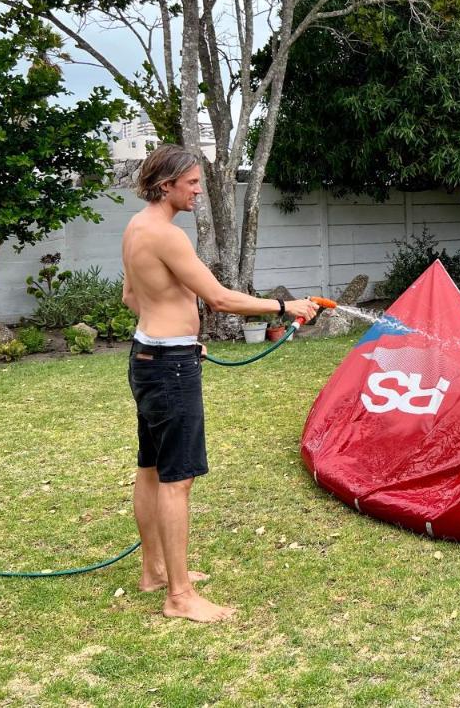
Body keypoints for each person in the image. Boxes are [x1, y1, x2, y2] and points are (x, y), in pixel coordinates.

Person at [121, 144, 321, 622]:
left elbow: (134, 296)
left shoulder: (136, 228)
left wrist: (180, 338)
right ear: (165, 183)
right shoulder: (167, 236)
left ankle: (154, 571)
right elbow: (219, 299)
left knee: (151, 465)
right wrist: (283, 307)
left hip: (147, 356)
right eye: (191, 183)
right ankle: (180, 597)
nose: (198, 191)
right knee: (177, 478)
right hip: (168, 367)